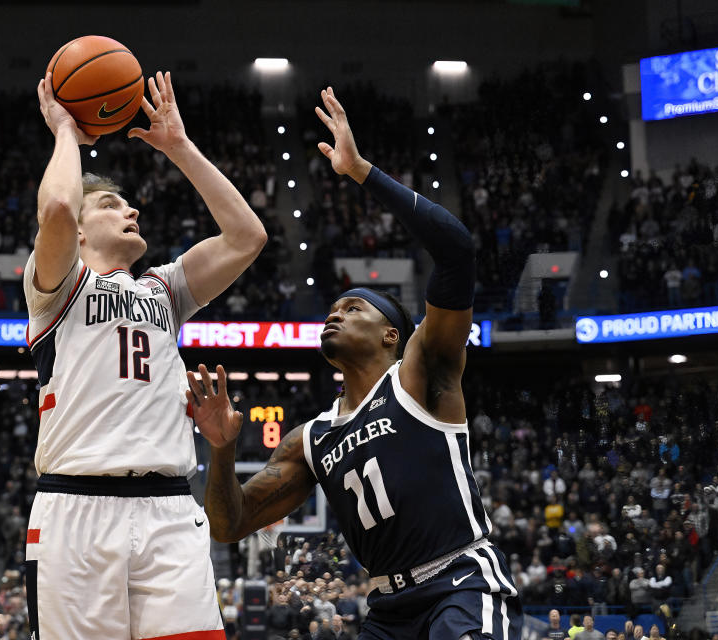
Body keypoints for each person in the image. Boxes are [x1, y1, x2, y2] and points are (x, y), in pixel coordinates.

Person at [193, 87, 521, 639]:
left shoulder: (421, 375)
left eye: (352, 307)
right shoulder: (310, 438)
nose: (334, 314)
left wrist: (361, 170)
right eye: (332, 308)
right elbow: (229, 525)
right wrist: (222, 451)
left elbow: (458, 250)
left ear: (393, 334)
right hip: (388, 611)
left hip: (461, 583)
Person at [23, 70, 266, 640]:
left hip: (169, 508)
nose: (131, 211)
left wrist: (179, 147)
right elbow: (57, 206)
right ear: (81, 234)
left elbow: (246, 237)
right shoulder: (58, 285)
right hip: (76, 509)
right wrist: (64, 130)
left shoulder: (164, 288)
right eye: (111, 205)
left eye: (130, 205)